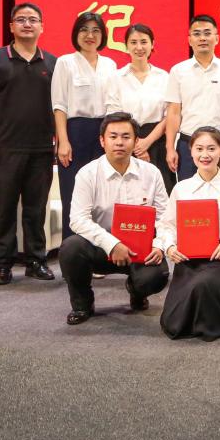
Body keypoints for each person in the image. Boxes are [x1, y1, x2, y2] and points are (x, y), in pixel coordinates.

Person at [58, 112, 169, 325]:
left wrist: (159, 245)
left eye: (126, 137)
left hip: (141, 249)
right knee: (71, 248)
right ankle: (82, 303)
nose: (119, 142)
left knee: (156, 276)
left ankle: (137, 290)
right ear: (102, 141)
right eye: (113, 136)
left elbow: (164, 217)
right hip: (101, 247)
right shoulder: (87, 174)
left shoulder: (151, 173)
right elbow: (78, 219)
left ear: (136, 141)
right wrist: (112, 244)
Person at [0, 3, 58, 285]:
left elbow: (60, 107)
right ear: (11, 26)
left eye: (33, 20)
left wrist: (59, 141)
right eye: (20, 19)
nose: (27, 24)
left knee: (36, 210)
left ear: (42, 26)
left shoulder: (53, 63)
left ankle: (36, 261)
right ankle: (3, 264)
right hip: (6, 149)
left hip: (42, 149)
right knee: (4, 210)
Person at [158, 128, 220, 340]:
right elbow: (167, 225)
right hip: (189, 255)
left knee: (204, 284)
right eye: (199, 149)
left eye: (211, 149)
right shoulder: (181, 188)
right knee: (173, 319)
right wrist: (170, 246)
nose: (205, 155)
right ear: (190, 151)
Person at [53, 11, 117, 240]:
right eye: (84, 30)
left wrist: (112, 137)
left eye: (95, 31)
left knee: (103, 193)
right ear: (76, 34)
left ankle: (102, 248)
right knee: (73, 193)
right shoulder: (65, 62)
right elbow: (59, 105)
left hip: (104, 132)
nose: (90, 35)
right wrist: (63, 141)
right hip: (75, 132)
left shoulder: (109, 64)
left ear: (103, 36)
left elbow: (113, 102)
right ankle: (72, 249)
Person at [165, 15, 220, 182]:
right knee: (189, 192)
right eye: (197, 34)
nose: (202, 38)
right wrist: (170, 148)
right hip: (188, 143)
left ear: (216, 38)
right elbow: (173, 113)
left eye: (207, 33)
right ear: (189, 40)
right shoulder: (178, 71)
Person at [105, 23, 173, 192]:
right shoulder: (116, 78)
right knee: (129, 194)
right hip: (126, 142)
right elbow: (113, 115)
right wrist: (136, 146)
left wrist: (147, 142)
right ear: (126, 46)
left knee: (161, 192)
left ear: (152, 44)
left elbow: (170, 115)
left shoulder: (164, 77)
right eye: (133, 42)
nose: (139, 47)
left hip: (157, 141)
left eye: (144, 42)